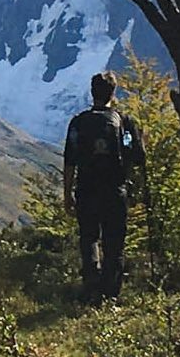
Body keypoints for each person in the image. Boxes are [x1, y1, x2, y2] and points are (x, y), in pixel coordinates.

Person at [63, 71, 146, 302]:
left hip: (86, 189)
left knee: (89, 238)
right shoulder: (124, 122)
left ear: (92, 93)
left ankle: (91, 286)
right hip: (115, 190)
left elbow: (70, 160)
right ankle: (110, 293)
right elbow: (139, 158)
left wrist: (67, 194)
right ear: (113, 92)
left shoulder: (78, 122)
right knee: (114, 242)